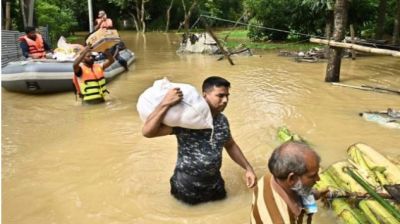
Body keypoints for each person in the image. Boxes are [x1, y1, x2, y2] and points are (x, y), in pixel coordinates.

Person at [142, 76, 257, 205]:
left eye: (227, 96)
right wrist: (165, 103)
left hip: (215, 185)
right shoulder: (187, 120)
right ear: (205, 95)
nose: (225, 100)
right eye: (220, 95)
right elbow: (148, 132)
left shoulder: (222, 120)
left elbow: (230, 145)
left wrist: (248, 168)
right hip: (186, 186)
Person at [250, 141, 324, 224]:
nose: (318, 179)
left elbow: (299, 190)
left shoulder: (266, 179)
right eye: (312, 176)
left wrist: (317, 194)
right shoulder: (283, 221)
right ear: (292, 179)